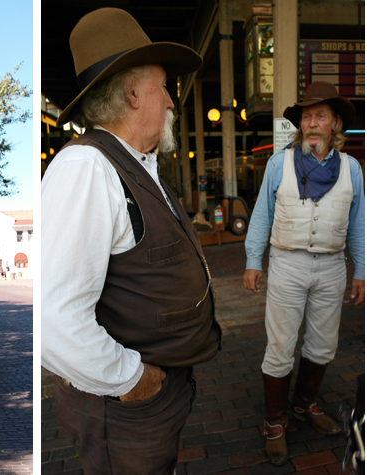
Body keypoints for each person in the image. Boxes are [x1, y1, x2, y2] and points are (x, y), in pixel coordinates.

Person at [41, 8, 221, 474]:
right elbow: (54, 319)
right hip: (129, 407)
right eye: (163, 86)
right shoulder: (86, 168)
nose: (170, 102)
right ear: (133, 92)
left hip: (152, 400)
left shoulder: (133, 163)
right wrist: (133, 380)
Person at [243, 81, 365, 466]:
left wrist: (362, 269)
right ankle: (274, 422)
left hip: (331, 267)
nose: (312, 123)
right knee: (280, 347)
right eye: (307, 117)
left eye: (320, 116)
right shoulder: (279, 163)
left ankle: (305, 404)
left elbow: (360, 223)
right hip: (287, 264)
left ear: (335, 124)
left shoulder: (352, 168)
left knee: (323, 345)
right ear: (302, 125)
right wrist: (252, 260)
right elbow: (261, 213)